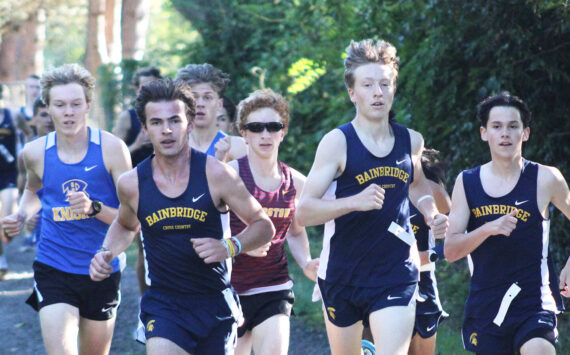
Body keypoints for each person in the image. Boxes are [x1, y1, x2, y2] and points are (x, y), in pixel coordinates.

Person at [89, 78, 275, 354]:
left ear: (189, 121)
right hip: (165, 305)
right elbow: (126, 225)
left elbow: (263, 226)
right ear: (145, 128)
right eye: (157, 122)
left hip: (214, 304)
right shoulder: (132, 183)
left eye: (174, 120)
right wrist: (105, 252)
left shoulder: (217, 174)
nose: (167, 130)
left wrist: (229, 246)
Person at [296, 38, 448, 355]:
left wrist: (430, 212)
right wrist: (353, 202)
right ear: (352, 92)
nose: (377, 92)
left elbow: (417, 184)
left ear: (393, 88)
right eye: (367, 84)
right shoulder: (337, 143)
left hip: (396, 273)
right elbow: (305, 211)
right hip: (342, 275)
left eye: (384, 83)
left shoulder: (411, 141)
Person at [1, 63, 131, 354]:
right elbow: (34, 190)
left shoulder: (112, 149)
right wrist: (22, 214)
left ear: (87, 105)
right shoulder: (35, 152)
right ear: (48, 107)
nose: (68, 112)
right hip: (53, 264)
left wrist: (94, 208)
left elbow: (130, 216)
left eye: (75, 104)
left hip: (102, 268)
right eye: (60, 105)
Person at [444, 92, 570, 354]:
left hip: (534, 304)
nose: (505, 134)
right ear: (484, 133)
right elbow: (451, 250)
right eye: (497, 127)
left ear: (525, 133)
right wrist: (488, 228)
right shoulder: (467, 182)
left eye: (513, 127)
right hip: (487, 306)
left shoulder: (546, 179)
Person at [228, 89, 319, 355]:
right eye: (256, 127)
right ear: (243, 133)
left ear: (283, 132)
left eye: (273, 127)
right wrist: (241, 244)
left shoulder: (296, 183)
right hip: (229, 290)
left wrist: (305, 262)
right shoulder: (230, 175)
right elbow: (207, 229)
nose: (265, 134)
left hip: (274, 286)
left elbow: (296, 230)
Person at [175, 63, 247, 162]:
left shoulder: (238, 146)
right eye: (194, 97)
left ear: (219, 104)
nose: (200, 104)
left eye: (207, 97)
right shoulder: (173, 147)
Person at [16, 97, 55, 251]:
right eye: (43, 115)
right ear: (33, 118)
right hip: (42, 217)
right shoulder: (26, 154)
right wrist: (25, 214)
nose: (49, 120)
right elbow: (22, 188)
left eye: (52, 114)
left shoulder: (74, 149)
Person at [113, 66, 162, 168]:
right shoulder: (127, 117)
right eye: (144, 86)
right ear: (137, 90)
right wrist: (136, 145)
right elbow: (112, 155)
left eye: (153, 85)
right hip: (134, 177)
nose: (149, 90)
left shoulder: (168, 115)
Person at [0, 83, 19, 279]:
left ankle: (7, 234)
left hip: (9, 173)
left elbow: (28, 133)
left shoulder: (11, 116)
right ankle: (1, 259)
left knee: (7, 214)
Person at [14, 74, 42, 143]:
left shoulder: (47, 112)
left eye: (38, 87)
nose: (35, 90)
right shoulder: (18, 113)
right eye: (31, 87)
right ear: (26, 88)